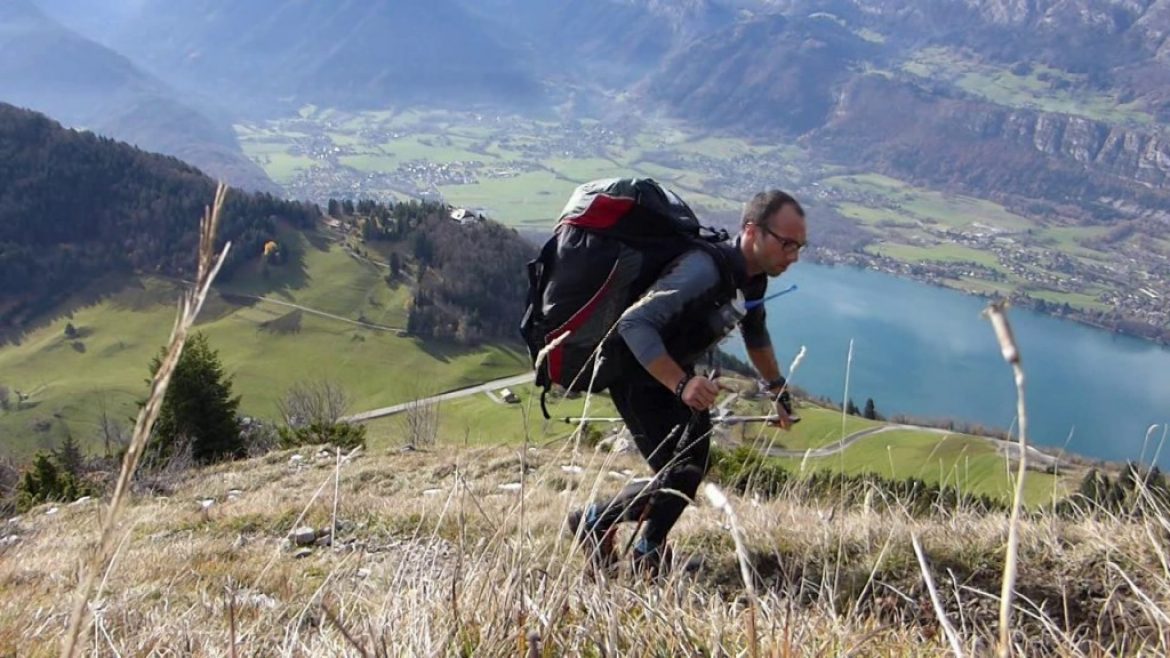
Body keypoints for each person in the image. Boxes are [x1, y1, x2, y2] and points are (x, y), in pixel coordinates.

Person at [566, 189, 807, 578]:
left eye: (799, 246)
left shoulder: (752, 278)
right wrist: (681, 384)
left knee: (691, 468)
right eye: (787, 244)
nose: (793, 255)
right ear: (752, 231)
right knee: (680, 473)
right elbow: (633, 324)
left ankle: (648, 552)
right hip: (638, 376)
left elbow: (756, 334)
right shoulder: (704, 270)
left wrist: (777, 392)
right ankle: (595, 521)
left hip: (675, 375)